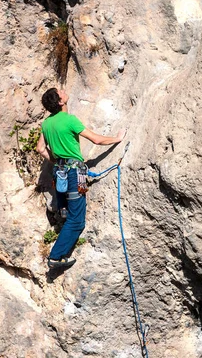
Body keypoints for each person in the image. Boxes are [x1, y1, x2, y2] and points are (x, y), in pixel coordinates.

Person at [37, 87, 126, 268]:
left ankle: (62, 230)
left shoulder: (46, 124)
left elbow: (40, 148)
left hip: (59, 172)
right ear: (61, 102)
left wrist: (56, 161)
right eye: (60, 92)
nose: (63, 90)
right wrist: (116, 139)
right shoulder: (70, 120)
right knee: (77, 220)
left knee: (66, 211)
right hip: (74, 174)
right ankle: (55, 256)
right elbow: (96, 140)